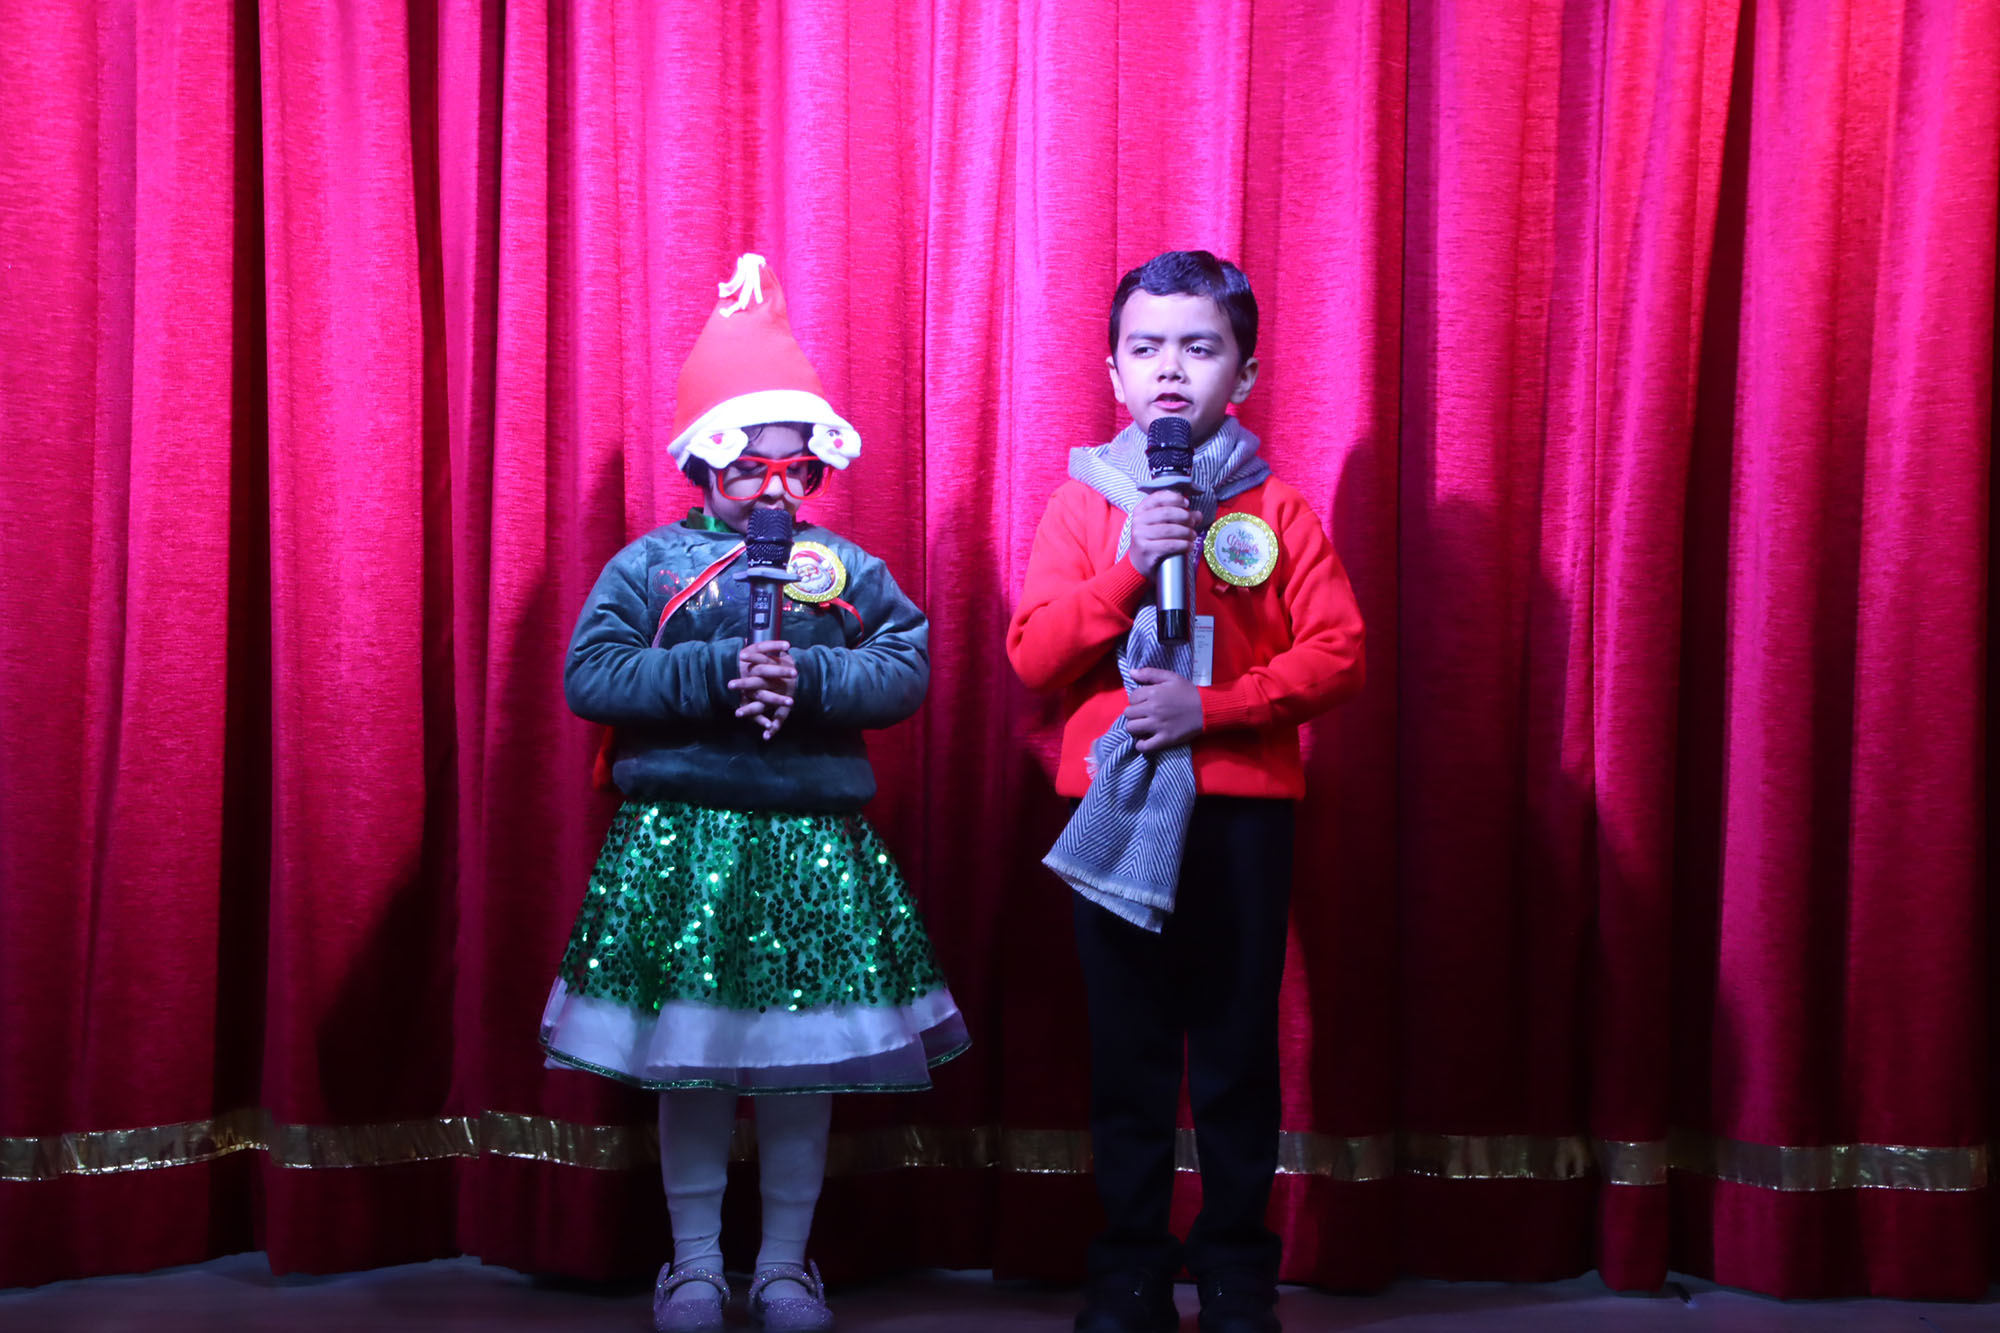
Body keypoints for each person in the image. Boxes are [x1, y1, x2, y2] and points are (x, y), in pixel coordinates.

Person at [543, 254, 967, 1333]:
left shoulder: (847, 569)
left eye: (796, 471)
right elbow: (591, 674)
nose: (775, 491)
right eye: (750, 470)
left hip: (809, 847)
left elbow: (906, 668)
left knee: (795, 1068)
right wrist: (710, 672)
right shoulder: (649, 566)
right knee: (691, 1067)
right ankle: (692, 1263)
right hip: (681, 843)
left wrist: (812, 677)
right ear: (702, 464)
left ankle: (783, 1265)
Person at [1006, 251, 1365, 1333]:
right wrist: (1131, 565)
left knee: (1234, 1048)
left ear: (1242, 373)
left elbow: (1338, 652)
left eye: (1198, 348)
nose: (1170, 369)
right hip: (1113, 811)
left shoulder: (1275, 509)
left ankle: (1235, 1270)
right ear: (1114, 373)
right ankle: (1128, 1268)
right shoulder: (1084, 506)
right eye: (1146, 347)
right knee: (1128, 1050)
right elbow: (1033, 655)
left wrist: (1213, 709)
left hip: (1240, 812)